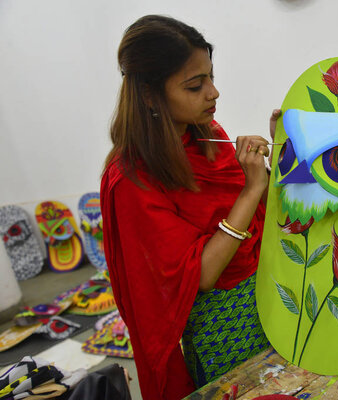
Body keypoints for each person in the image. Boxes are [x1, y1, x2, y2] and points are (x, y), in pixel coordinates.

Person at [100, 15, 279, 400]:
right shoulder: (132, 179)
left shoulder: (207, 135)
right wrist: (250, 192)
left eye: (211, 77)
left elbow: (266, 212)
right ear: (149, 94)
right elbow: (202, 274)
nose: (214, 93)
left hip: (271, 299)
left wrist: (282, 157)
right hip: (222, 329)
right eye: (196, 85)